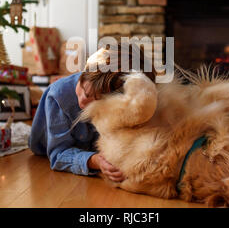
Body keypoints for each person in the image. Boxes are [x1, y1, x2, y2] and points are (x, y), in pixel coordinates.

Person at [28, 44, 156, 182]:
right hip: (50, 147)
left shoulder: (125, 106)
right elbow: (58, 154)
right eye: (83, 89)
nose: (83, 101)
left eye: (95, 101)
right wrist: (95, 161)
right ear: (83, 74)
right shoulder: (58, 96)